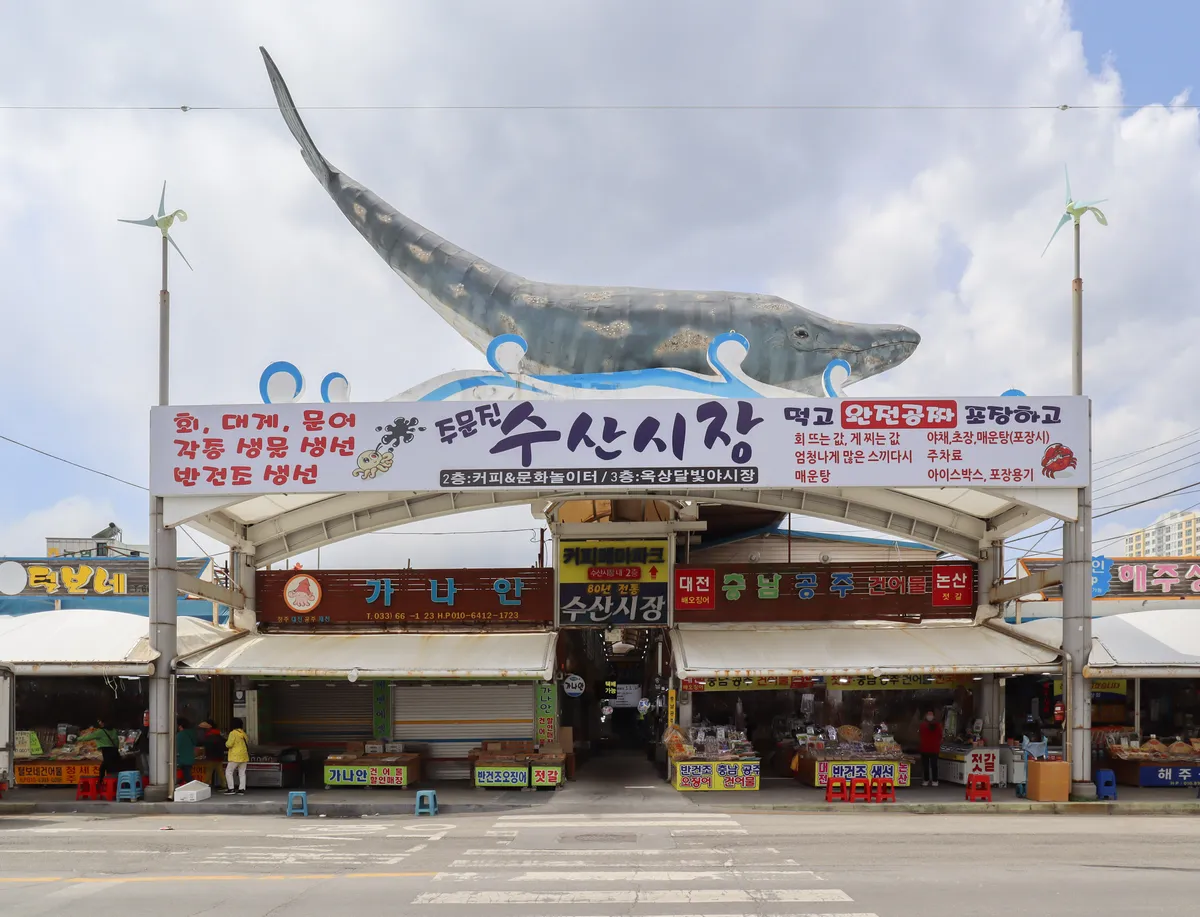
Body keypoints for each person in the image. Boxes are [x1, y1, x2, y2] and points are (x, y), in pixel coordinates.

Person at [80, 718, 122, 782]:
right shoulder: (113, 730)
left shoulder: (100, 732)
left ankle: (102, 782)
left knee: (104, 767)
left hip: (107, 751)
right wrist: (116, 748)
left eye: (100, 721)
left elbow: (88, 737)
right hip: (114, 750)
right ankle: (111, 782)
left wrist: (77, 739)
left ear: (103, 723)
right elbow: (117, 741)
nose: (99, 723)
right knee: (110, 767)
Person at [918, 709, 943, 787]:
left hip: (925, 748)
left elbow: (920, 735)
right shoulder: (938, 725)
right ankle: (935, 780)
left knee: (926, 765)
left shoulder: (922, 725)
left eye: (930, 714)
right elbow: (941, 736)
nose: (929, 716)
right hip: (934, 748)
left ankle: (926, 780)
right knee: (934, 765)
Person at [224, 717, 250, 795]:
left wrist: (225, 743)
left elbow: (229, 744)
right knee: (242, 772)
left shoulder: (233, 733)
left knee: (228, 771)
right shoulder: (243, 733)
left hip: (235, 756)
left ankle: (231, 789)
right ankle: (241, 789)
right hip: (244, 756)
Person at [175, 717, 197, 785]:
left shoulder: (180, 735)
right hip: (189, 758)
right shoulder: (192, 733)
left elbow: (176, 747)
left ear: (180, 726)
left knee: (186, 776)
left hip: (181, 759)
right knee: (186, 775)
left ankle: (193, 787)